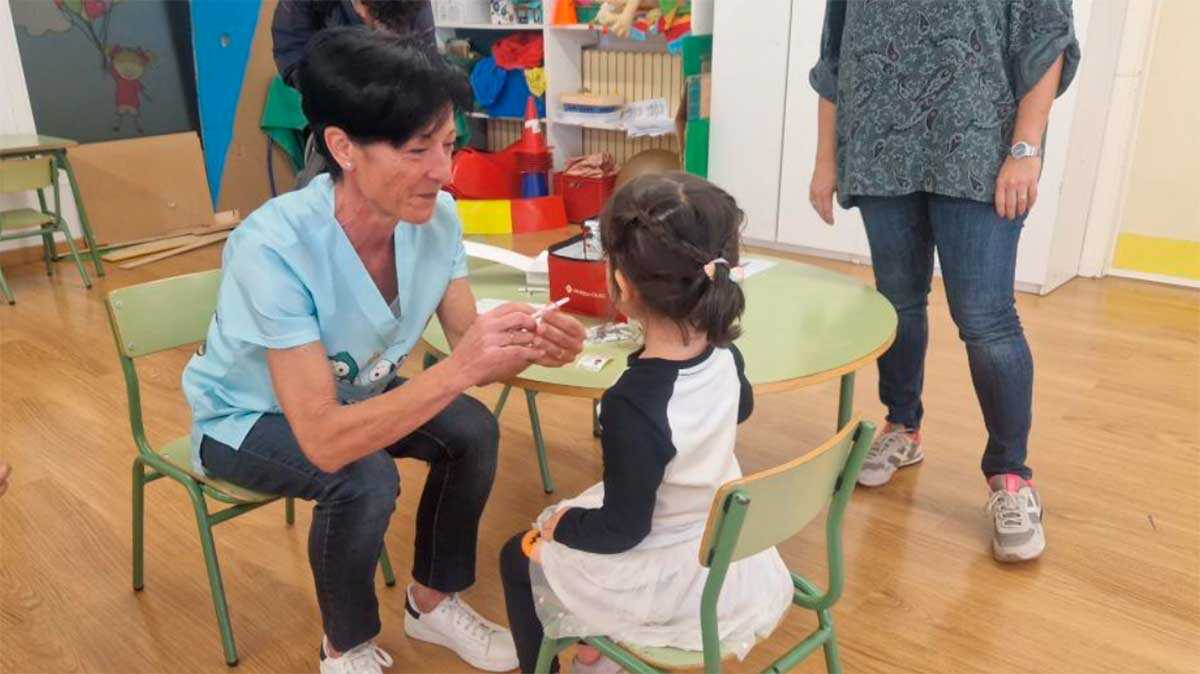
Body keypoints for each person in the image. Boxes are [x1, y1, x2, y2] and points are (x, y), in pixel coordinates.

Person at [182, 29, 586, 674]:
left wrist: (537, 346)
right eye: (417, 149)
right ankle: (342, 646)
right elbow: (325, 440)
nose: (444, 172)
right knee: (363, 477)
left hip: (352, 397)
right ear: (342, 147)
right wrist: (463, 366)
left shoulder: (437, 219)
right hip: (246, 418)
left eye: (449, 145)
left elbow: (468, 348)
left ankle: (431, 601)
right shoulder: (275, 247)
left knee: (471, 431)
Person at [807, 0, 1081, 562]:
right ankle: (902, 426)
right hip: (880, 147)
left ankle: (1010, 475)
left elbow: (1047, 38)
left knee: (985, 320)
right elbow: (835, 56)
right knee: (897, 303)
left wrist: (1025, 149)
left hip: (980, 150)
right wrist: (826, 158)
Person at [499, 173, 793, 673]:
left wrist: (560, 524)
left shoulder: (632, 404)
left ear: (620, 284)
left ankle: (580, 652)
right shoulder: (726, 353)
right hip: (725, 547)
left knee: (518, 555)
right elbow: (740, 410)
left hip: (675, 573)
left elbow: (622, 531)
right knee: (584, 515)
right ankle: (598, 652)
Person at [272, 0, 437, 188]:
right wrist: (338, 94)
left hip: (399, 121)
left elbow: (427, 64)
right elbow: (291, 54)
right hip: (335, 118)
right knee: (330, 193)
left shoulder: (414, 5)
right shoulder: (300, 6)